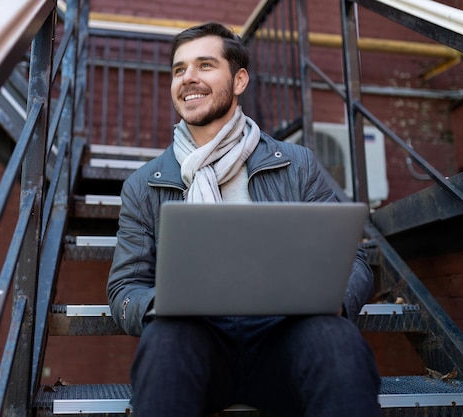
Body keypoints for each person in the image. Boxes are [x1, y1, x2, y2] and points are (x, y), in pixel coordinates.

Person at [107, 21, 381, 417]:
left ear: (239, 81)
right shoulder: (142, 185)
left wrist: (335, 301)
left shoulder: (297, 164)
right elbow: (125, 288)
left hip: (284, 338)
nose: (188, 79)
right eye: (179, 69)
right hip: (196, 345)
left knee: (336, 338)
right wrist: (161, 304)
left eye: (204, 65)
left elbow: (353, 261)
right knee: (164, 339)